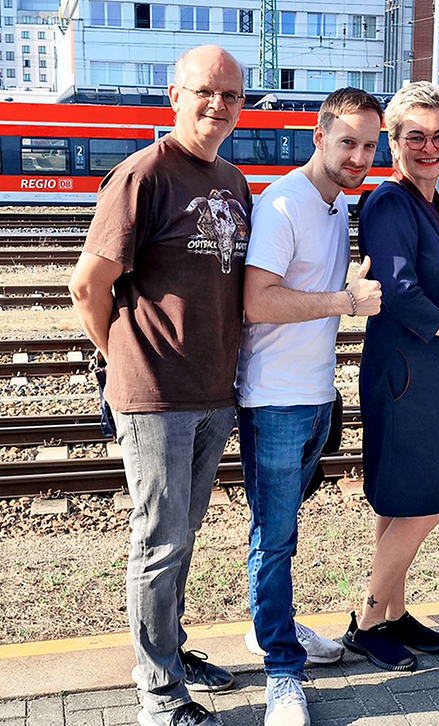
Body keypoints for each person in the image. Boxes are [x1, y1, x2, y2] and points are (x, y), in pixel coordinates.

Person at [68, 45, 250, 726]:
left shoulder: (231, 179)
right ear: (173, 95)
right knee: (159, 541)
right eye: (205, 91)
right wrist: (118, 357)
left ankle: (168, 651)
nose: (218, 105)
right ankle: (159, 694)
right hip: (156, 394)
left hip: (211, 390)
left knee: (182, 534)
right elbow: (88, 284)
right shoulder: (143, 175)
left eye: (231, 95)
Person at [235, 87, 385, 725]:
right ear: (318, 136)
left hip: (316, 392)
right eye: (347, 141)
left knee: (282, 532)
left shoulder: (334, 201)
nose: (358, 155)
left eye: (369, 145)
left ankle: (273, 629)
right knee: (275, 538)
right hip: (275, 398)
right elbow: (258, 301)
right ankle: (280, 673)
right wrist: (345, 302)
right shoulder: (286, 203)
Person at [343, 81, 439, 672]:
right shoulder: (390, 201)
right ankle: (366, 619)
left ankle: (392, 611)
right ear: (394, 140)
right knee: (425, 502)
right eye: (416, 136)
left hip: (428, 373)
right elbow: (399, 294)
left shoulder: (433, 200)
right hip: (408, 372)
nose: (429, 146)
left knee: (400, 502)